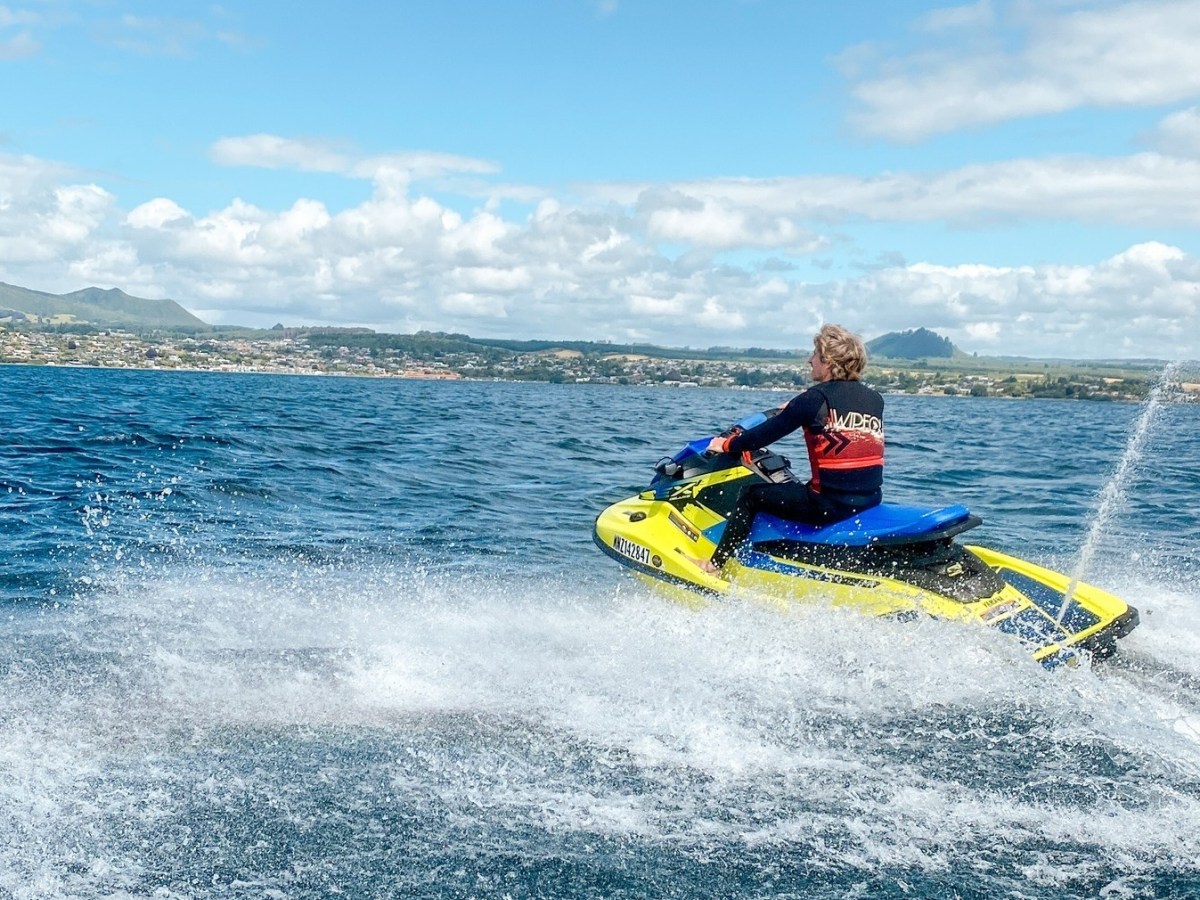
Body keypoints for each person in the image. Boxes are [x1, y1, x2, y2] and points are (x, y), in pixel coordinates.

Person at [694, 324, 884, 575]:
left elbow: (761, 437)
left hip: (828, 506)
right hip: (870, 500)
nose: (809, 360)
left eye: (815, 355)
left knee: (751, 495)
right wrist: (797, 406)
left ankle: (714, 565)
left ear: (828, 362)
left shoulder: (814, 399)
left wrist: (726, 444)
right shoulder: (874, 399)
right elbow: (839, 411)